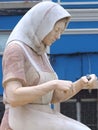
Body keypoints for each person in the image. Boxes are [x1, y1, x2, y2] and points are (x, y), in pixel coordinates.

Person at [0, 1, 97, 130]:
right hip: (21, 117)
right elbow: (13, 96)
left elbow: (53, 97)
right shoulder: (16, 49)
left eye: (61, 32)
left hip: (42, 115)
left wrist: (80, 84)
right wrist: (53, 84)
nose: (58, 36)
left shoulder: (41, 53)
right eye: (56, 30)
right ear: (42, 25)